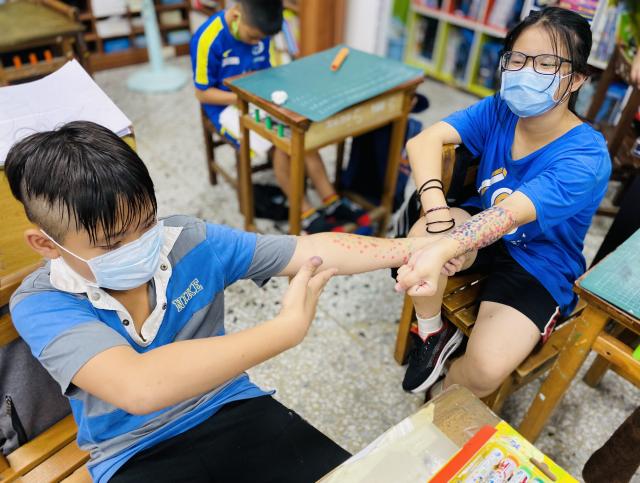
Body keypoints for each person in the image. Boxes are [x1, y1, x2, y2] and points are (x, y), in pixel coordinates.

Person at [5, 121, 432, 482]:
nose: (139, 246)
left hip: (230, 404)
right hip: (132, 453)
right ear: (46, 244)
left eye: (146, 223)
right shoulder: (42, 301)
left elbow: (310, 250)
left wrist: (414, 249)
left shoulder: (188, 240)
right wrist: (284, 331)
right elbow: (139, 386)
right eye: (113, 243)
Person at [394, 7, 611, 400]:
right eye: (518, 59)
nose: (527, 72)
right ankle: (432, 333)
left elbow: (510, 214)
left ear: (578, 78)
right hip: (482, 228)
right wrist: (439, 217)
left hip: (540, 260)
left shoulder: (586, 156)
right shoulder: (500, 109)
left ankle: (446, 391)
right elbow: (423, 141)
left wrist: (447, 247)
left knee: (484, 370)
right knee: (422, 237)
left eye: (546, 63)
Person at [190, 0, 370, 234]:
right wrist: (245, 98)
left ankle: (331, 201)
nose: (256, 43)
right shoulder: (208, 38)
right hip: (224, 106)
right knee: (281, 144)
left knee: (300, 132)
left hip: (258, 96)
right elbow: (202, 93)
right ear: (235, 15)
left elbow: (266, 72)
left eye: (261, 39)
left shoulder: (262, 30)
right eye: (252, 37)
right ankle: (306, 213)